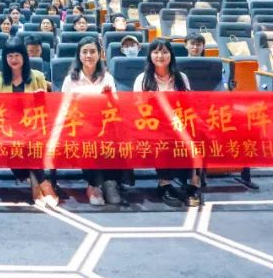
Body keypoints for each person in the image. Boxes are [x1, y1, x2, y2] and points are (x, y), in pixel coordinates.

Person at [135, 38, 200, 208]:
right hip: (153, 125)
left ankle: (194, 184)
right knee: (163, 139)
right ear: (150, 55)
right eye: (156, 52)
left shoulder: (181, 78)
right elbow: (138, 110)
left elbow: (188, 105)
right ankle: (164, 184)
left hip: (178, 122)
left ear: (171, 55)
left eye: (164, 52)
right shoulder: (143, 79)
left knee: (197, 132)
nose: (160, 56)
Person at [0, 40, 58, 207]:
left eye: (17, 55)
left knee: (29, 143)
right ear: (5, 58)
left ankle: (38, 187)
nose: (14, 59)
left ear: (24, 57)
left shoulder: (37, 76)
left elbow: (46, 107)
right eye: (10, 56)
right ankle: (42, 183)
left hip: (34, 126)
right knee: (16, 146)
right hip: (9, 128)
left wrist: (41, 98)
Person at [62, 36, 120, 206]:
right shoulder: (70, 80)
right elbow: (64, 108)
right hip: (79, 125)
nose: (89, 55)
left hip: (103, 124)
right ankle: (93, 185)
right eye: (85, 52)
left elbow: (115, 106)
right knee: (88, 136)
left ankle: (110, 182)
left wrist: (109, 98)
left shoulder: (107, 77)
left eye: (93, 51)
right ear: (79, 55)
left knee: (111, 135)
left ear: (99, 54)